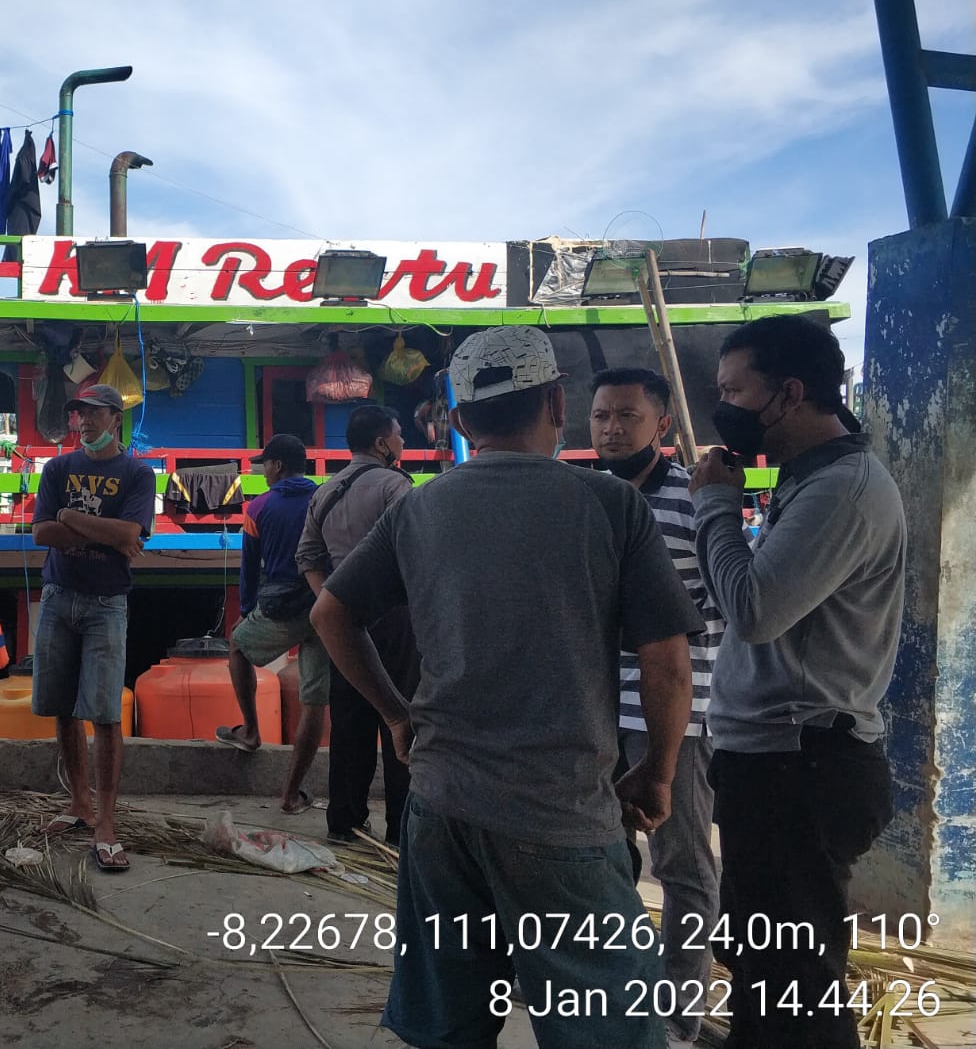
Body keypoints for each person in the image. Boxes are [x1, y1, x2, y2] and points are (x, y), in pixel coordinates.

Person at [311, 326, 701, 1049]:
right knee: (608, 1032)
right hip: (561, 814)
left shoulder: (419, 507)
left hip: (441, 811)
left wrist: (396, 715)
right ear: (557, 404)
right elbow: (668, 663)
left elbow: (329, 613)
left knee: (450, 1025)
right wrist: (659, 771)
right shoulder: (611, 505)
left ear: (460, 422)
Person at [689, 314, 905, 1049]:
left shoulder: (840, 491)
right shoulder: (806, 481)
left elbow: (753, 610)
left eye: (733, 391)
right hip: (776, 761)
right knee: (764, 963)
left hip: (802, 765)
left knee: (795, 983)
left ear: (789, 393)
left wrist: (715, 505)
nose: (723, 407)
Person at [590, 366, 725, 1045]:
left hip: (675, 714)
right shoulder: (585, 497)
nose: (611, 430)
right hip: (596, 709)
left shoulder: (693, 501)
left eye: (627, 416)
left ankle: (678, 1007)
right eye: (601, 416)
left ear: (662, 424)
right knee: (599, 852)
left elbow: (728, 604)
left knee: (683, 864)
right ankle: (606, 980)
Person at [30, 384, 156, 873]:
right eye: (79, 413)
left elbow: (131, 533)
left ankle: (106, 822)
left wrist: (69, 516)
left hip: (108, 603)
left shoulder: (137, 473)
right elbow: (42, 533)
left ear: (115, 419)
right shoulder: (57, 468)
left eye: (94, 413)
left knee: (104, 713)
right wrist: (105, 532)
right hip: (58, 596)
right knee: (62, 708)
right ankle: (79, 804)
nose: (83, 421)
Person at [296, 405, 417, 845]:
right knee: (401, 716)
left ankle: (345, 824)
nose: (403, 442)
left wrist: (332, 602)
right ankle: (403, 831)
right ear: (382, 444)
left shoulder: (324, 492)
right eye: (399, 434)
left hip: (343, 621)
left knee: (349, 722)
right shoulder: (395, 486)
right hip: (395, 618)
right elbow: (412, 551)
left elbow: (308, 556)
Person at [214, 434, 326, 815]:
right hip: (325, 605)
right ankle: (291, 795)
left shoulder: (259, 507)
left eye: (265, 465)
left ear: (277, 466)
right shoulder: (324, 498)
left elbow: (249, 570)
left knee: (237, 645)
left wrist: (247, 610)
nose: (262, 471)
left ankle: (250, 731)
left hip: (282, 608)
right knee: (314, 700)